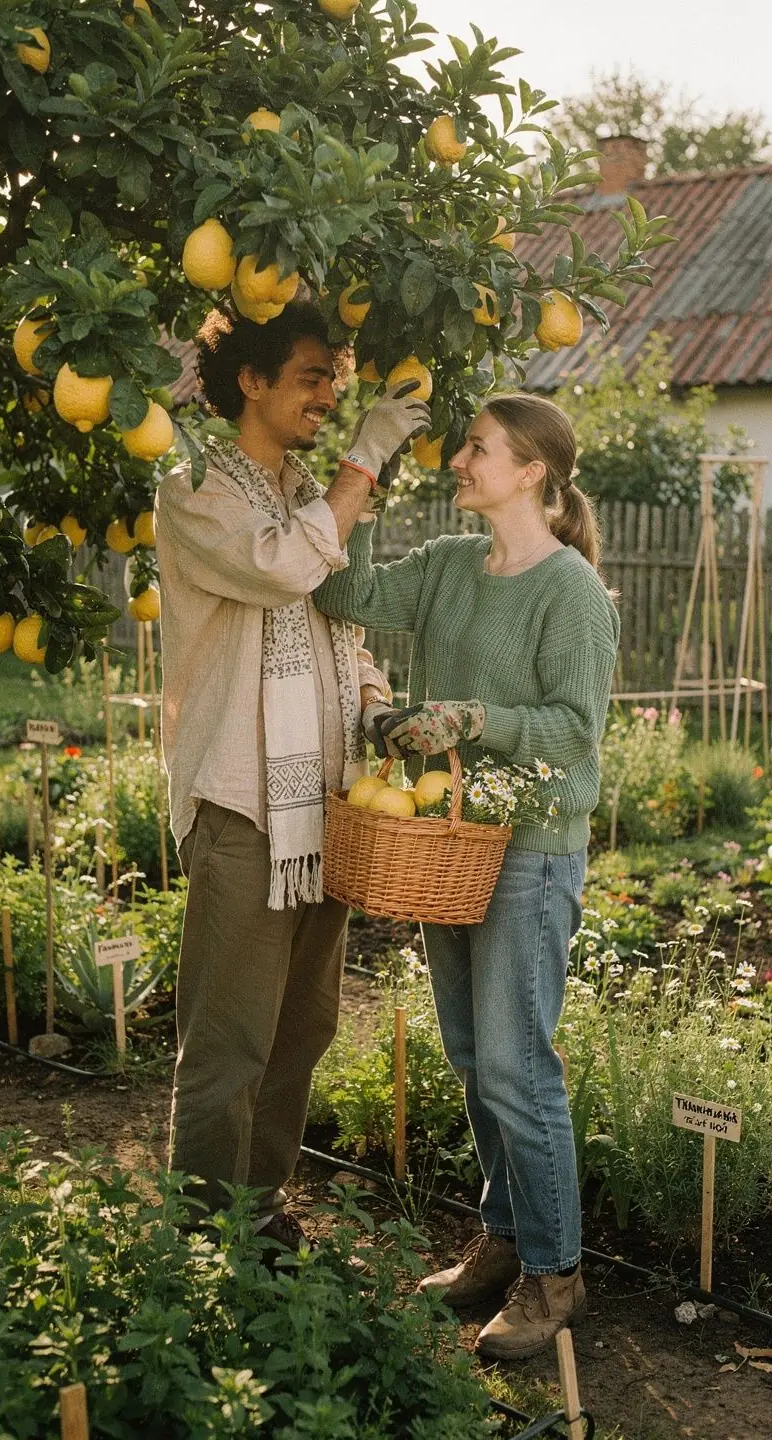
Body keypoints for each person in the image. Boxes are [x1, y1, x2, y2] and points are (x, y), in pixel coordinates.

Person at [314, 392, 619, 1358]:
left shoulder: (570, 591)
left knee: (518, 1066)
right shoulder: (450, 564)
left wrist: (479, 719)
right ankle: (504, 1239)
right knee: (472, 1057)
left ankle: (555, 1275)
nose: (459, 459)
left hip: (530, 853)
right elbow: (346, 595)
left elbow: (576, 732)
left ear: (531, 471)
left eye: (477, 448)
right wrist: (365, 485)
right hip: (450, 847)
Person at [155, 299, 429, 1246]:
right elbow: (281, 570)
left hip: (322, 806)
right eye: (313, 376)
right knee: (229, 1037)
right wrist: (365, 462)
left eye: (335, 378)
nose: (329, 394)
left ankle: (258, 1208)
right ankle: (202, 1237)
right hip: (242, 804)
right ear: (252, 380)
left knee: (302, 1027)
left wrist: (375, 702)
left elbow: (336, 626)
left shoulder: (308, 495)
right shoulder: (198, 490)